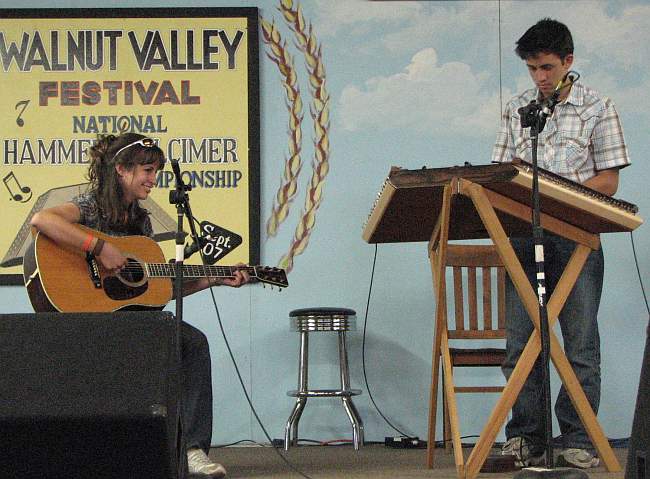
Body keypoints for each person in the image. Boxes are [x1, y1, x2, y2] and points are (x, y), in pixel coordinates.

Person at [30, 133, 249, 479]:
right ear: (121, 169)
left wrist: (212, 279)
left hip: (128, 320)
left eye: (156, 171)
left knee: (191, 342)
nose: (153, 179)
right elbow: (42, 220)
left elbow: (154, 290)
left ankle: (191, 452)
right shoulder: (90, 207)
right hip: (85, 319)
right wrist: (99, 248)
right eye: (147, 170)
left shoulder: (140, 220)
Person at [492, 18, 630, 469]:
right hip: (521, 236)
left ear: (568, 61)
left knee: (580, 343)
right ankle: (526, 436)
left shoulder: (598, 107)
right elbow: (499, 174)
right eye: (532, 69)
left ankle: (579, 438)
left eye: (547, 67)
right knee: (521, 341)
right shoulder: (517, 109)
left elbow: (608, 178)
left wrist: (562, 199)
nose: (540, 78)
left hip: (576, 240)